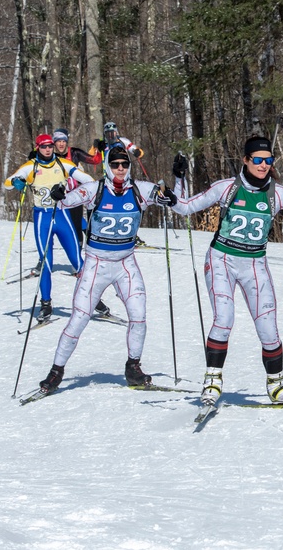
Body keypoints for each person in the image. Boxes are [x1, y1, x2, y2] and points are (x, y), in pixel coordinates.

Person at [169, 136, 283, 406]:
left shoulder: (279, 193)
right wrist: (174, 186)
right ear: (246, 160)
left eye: (268, 160)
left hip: (255, 264)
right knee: (224, 318)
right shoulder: (226, 188)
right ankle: (212, 381)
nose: (264, 165)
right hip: (222, 259)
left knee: (268, 328)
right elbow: (185, 206)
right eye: (258, 160)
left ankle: (277, 386)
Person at [35, 147, 174, 392]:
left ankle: (133, 367)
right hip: (96, 263)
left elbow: (172, 201)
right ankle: (56, 371)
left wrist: (177, 183)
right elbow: (66, 200)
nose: (120, 168)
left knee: (139, 315)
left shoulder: (140, 189)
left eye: (124, 163)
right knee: (79, 319)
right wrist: (58, 193)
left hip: (125, 263)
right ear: (107, 167)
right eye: (115, 164)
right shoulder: (94, 189)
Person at [3, 134, 94, 322]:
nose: (48, 149)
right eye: (44, 147)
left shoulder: (63, 164)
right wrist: (16, 182)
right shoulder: (31, 166)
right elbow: (7, 183)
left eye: (50, 146)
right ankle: (46, 303)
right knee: (46, 262)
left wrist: (78, 194)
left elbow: (87, 179)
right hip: (42, 217)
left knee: (78, 260)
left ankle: (93, 298)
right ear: (38, 147)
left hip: (61, 215)